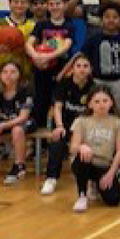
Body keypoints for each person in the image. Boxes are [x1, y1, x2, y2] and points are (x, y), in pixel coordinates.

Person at [41, 54, 95, 195]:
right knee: (57, 143)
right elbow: (57, 108)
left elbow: (94, 114)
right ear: (72, 69)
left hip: (84, 129)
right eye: (78, 66)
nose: (82, 69)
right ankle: (51, 178)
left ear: (90, 69)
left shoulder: (94, 87)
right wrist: (59, 126)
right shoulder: (64, 84)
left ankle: (91, 181)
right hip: (65, 125)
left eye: (85, 66)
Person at [68, 85, 120, 211]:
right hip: (86, 162)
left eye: (105, 101)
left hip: (105, 166)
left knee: (114, 200)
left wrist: (111, 174)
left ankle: (97, 184)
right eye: (97, 101)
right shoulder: (81, 121)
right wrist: (81, 147)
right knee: (82, 156)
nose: (101, 105)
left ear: (111, 102)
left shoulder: (118, 123)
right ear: (90, 104)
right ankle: (82, 195)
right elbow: (73, 147)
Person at [26, 0, 76, 132]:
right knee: (40, 104)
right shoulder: (41, 25)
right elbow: (29, 43)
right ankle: (39, 145)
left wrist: (48, 56)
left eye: (58, 4)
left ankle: (57, 137)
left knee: (59, 103)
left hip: (61, 70)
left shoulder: (69, 26)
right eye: (51, 4)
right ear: (48, 6)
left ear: (65, 5)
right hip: (42, 70)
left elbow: (66, 46)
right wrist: (35, 56)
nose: (55, 7)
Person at [78, 1, 120, 119]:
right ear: (101, 19)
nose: (111, 20)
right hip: (98, 81)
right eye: (107, 17)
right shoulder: (93, 39)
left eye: (115, 17)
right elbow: (83, 57)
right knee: (97, 111)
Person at [0, 0, 35, 91]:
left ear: (28, 5)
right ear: (10, 3)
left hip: (23, 72)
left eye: (23, 2)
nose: (19, 5)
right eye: (16, 2)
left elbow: (34, 51)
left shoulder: (33, 25)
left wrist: (23, 49)